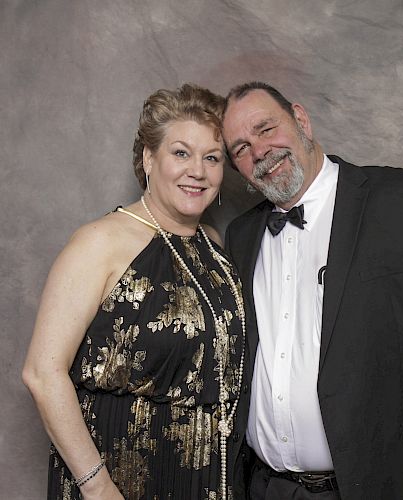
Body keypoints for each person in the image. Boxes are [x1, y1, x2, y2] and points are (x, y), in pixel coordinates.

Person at [222, 82, 403, 500]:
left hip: (378, 484)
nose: (258, 151)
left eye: (265, 128)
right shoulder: (241, 236)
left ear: (301, 119)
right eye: (240, 148)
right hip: (263, 487)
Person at [22, 84, 246, 500]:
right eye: (181, 153)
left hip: (209, 479)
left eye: (211, 158)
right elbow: (42, 373)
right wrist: (98, 488)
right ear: (148, 159)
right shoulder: (101, 241)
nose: (197, 170)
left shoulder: (214, 248)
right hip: (122, 480)